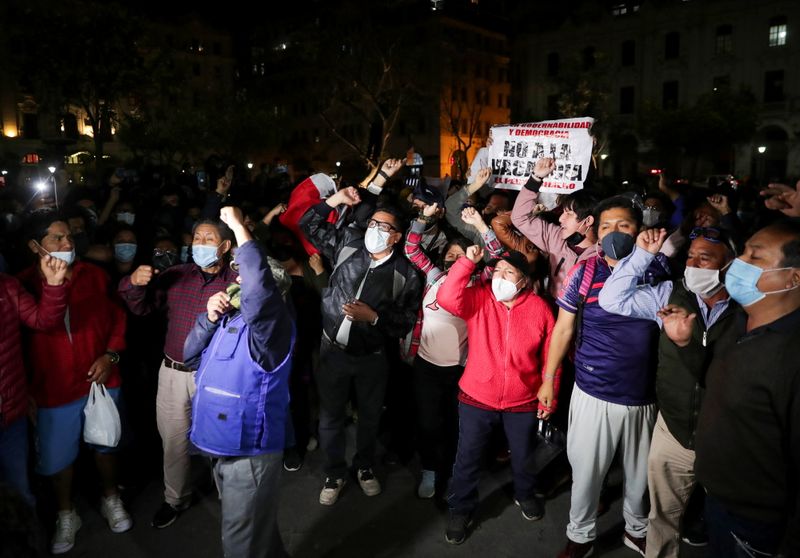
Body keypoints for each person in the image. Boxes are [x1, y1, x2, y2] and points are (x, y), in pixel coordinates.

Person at [598, 226, 738, 558]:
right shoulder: (670, 294)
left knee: (730, 524)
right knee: (662, 518)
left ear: (730, 264)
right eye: (690, 256)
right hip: (673, 431)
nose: (693, 265)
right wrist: (642, 256)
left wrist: (686, 343)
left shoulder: (748, 310)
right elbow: (611, 299)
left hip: (727, 439)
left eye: (705, 258)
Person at [662, 221, 800, 558]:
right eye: (744, 252)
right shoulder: (742, 323)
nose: (739, 264)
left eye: (756, 257)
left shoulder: (791, 356)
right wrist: (684, 345)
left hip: (758, 525)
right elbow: (712, 379)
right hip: (718, 501)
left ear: (793, 278)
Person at [544, 196, 661, 558]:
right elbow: (563, 330)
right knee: (586, 473)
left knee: (640, 478)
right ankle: (581, 536)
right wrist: (548, 378)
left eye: (623, 225)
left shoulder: (657, 269)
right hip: (594, 391)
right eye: (606, 226)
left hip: (644, 393)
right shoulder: (586, 272)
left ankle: (637, 530)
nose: (613, 233)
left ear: (639, 230)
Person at [299, 185, 422, 506]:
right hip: (332, 353)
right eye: (372, 225)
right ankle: (334, 473)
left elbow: (406, 321)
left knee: (369, 417)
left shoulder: (406, 274)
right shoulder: (348, 245)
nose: (375, 231)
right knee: (330, 418)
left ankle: (365, 467)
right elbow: (306, 224)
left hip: (372, 359)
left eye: (384, 228)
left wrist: (375, 317)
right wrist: (336, 201)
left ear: (396, 237)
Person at [183, 206, 294, 558]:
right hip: (220, 444)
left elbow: (259, 290)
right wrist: (209, 318)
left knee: (240, 541)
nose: (236, 284)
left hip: (249, 449)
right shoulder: (230, 318)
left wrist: (236, 227)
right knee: (255, 529)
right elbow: (189, 355)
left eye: (242, 279)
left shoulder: (271, 329)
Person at [19, 211, 131, 554]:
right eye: (57, 238)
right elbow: (15, 343)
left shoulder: (94, 276)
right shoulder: (21, 285)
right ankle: (67, 514)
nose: (68, 244)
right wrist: (25, 390)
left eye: (69, 236)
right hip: (52, 389)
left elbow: (117, 319)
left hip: (101, 381)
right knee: (57, 458)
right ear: (35, 245)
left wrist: (110, 355)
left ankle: (111, 498)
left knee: (106, 445)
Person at [118, 217, 238, 528]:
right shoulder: (176, 275)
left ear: (225, 246)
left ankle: (230, 497)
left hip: (216, 376)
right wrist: (134, 283)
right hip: (172, 373)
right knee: (172, 441)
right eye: (196, 238)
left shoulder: (239, 281)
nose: (199, 244)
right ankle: (175, 498)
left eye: (208, 239)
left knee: (219, 440)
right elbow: (141, 308)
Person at [437, 246, 557, 545]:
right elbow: (446, 298)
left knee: (524, 455)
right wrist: (467, 262)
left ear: (524, 281)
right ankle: (460, 508)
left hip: (523, 400)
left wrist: (549, 393)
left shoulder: (540, 308)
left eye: (509, 272)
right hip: (476, 396)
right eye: (497, 271)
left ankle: (525, 494)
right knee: (467, 457)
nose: (500, 277)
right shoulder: (479, 298)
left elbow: (550, 354)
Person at [403, 202, 504, 499]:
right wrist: (423, 218)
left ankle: (454, 472)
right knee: (427, 421)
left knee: (455, 422)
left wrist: (482, 227)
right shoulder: (434, 278)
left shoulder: (477, 284)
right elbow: (411, 249)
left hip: (462, 369)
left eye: (462, 256)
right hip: (426, 366)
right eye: (450, 255)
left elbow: (498, 256)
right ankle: (430, 470)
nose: (455, 260)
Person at [0, 253, 68, 507]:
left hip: (10, 416)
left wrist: (53, 285)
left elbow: (43, 321)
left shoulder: (7, 286)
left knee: (21, 494)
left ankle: (26, 545)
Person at [511, 158, 599, 297]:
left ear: (588, 221)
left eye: (568, 214)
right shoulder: (555, 238)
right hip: (554, 312)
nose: (560, 219)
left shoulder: (605, 255)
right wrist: (536, 178)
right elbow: (519, 218)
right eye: (562, 212)